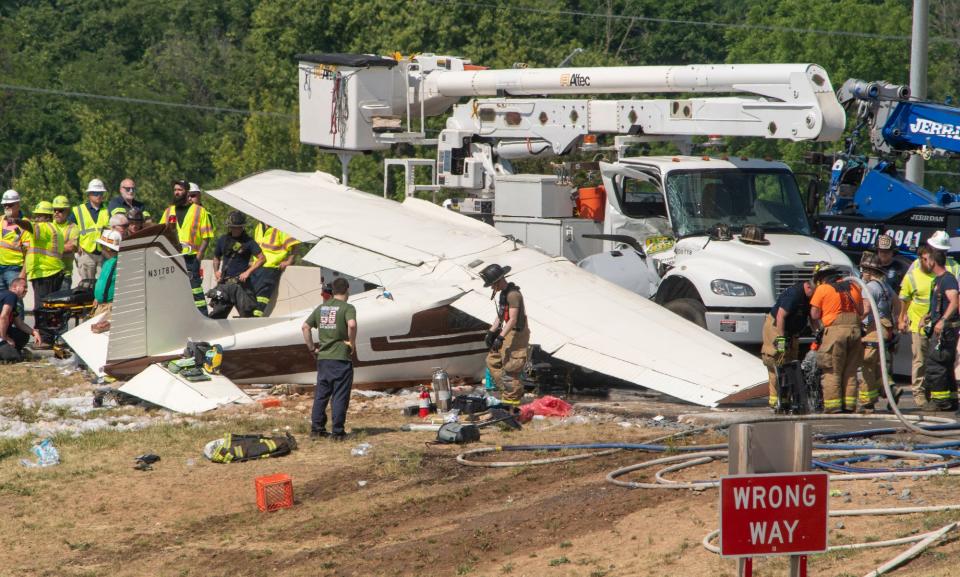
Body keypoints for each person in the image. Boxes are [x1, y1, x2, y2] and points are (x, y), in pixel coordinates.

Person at [301, 277, 357, 440]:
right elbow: (352, 325)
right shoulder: (348, 307)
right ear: (347, 290)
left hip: (323, 358)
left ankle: (317, 429)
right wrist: (351, 343)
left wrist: (312, 348)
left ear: (332, 291)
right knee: (339, 394)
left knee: (321, 394)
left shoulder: (321, 308)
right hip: (340, 357)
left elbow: (305, 327)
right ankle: (338, 432)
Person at [810, 261, 864, 413]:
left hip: (835, 332)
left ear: (821, 277)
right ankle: (849, 405)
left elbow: (814, 314)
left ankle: (833, 407)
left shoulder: (823, 289)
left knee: (832, 370)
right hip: (855, 331)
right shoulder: (854, 286)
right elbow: (861, 310)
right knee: (850, 370)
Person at [15, 201, 69, 346]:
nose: (36, 219)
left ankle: (45, 339)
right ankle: (47, 337)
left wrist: (17, 221)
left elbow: (29, 226)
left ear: (45, 216)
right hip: (50, 271)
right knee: (49, 307)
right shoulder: (55, 228)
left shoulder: (44, 227)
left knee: (42, 308)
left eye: (38, 216)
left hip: (45, 272)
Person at [479, 263, 530, 412]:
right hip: (508, 331)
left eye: (491, 285)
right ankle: (510, 390)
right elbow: (501, 316)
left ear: (498, 281)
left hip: (517, 334)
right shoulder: (503, 294)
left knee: (510, 368)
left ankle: (512, 407)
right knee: (492, 360)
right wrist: (491, 332)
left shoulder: (513, 295)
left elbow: (513, 319)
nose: (491, 288)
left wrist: (500, 337)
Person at [161, 180, 214, 316]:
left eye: (180, 190)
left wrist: (199, 256)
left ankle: (203, 317)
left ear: (187, 192)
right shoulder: (168, 211)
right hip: (172, 257)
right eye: (175, 190)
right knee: (174, 290)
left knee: (195, 290)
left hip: (191, 257)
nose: (177, 192)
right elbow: (160, 234)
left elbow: (206, 237)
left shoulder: (199, 211)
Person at [760, 278, 813, 410]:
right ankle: (775, 401)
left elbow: (812, 318)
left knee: (791, 362)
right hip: (776, 328)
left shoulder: (810, 297)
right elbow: (780, 316)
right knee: (776, 361)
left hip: (791, 331)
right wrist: (781, 339)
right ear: (808, 287)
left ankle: (787, 399)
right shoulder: (794, 294)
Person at [859, 251, 900, 412]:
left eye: (864, 270)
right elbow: (898, 304)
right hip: (885, 329)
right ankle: (891, 389)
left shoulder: (868, 287)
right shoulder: (885, 286)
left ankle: (867, 403)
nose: (862, 273)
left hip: (873, 329)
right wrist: (895, 322)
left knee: (867, 366)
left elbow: (867, 308)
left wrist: (855, 319)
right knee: (877, 364)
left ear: (869, 271)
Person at [921, 248, 960, 411]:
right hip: (941, 329)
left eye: (924, 259)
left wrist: (942, 320)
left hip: (946, 331)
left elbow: (954, 301)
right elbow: (941, 303)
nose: (923, 263)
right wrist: (929, 316)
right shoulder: (938, 281)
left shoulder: (947, 280)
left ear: (932, 261)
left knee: (935, 363)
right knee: (945, 364)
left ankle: (939, 401)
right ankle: (950, 399)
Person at [208, 211, 264, 319]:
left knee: (247, 316)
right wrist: (216, 272)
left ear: (242, 227)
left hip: (241, 285)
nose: (234, 229)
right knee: (217, 316)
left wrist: (248, 272)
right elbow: (216, 258)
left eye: (237, 227)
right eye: (232, 227)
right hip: (225, 285)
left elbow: (262, 259)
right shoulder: (222, 240)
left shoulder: (249, 242)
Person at [900, 245, 937, 406]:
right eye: (926, 259)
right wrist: (901, 319)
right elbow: (904, 300)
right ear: (920, 259)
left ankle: (931, 392)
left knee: (933, 361)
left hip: (935, 326)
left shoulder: (938, 276)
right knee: (920, 360)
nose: (929, 262)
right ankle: (919, 394)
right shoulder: (912, 277)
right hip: (918, 326)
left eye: (931, 259)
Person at [252, 222, 299, 317]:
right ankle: (250, 316)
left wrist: (289, 261)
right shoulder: (259, 226)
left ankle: (255, 317)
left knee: (261, 296)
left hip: (271, 267)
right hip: (257, 266)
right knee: (251, 294)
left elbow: (295, 245)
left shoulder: (281, 227)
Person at [69, 178, 110, 286]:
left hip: (103, 253)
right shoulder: (78, 210)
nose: (99, 196)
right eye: (96, 193)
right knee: (87, 285)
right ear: (89, 195)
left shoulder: (107, 210)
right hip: (86, 253)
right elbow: (70, 229)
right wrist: (76, 244)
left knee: (103, 284)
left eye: (101, 193)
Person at [0, 278, 40, 362]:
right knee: (12, 357)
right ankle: (9, 351)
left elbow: (19, 324)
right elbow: (3, 316)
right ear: (14, 287)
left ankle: (11, 350)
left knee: (23, 334)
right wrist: (5, 338)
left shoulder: (10, 300)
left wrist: (33, 332)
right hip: (1, 335)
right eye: (24, 287)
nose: (26, 290)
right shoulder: (11, 295)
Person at [92, 229, 122, 330]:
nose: (101, 249)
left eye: (101, 246)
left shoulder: (119, 263)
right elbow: (102, 282)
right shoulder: (108, 263)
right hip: (101, 305)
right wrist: (97, 297)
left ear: (108, 248)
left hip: (109, 307)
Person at [0, 189, 29, 292]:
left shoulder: (26, 225)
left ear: (18, 204)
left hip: (15, 269)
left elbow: (29, 253)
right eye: (5, 205)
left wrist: (22, 275)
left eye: (10, 204)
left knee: (16, 300)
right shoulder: (0, 220)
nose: (7, 207)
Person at [51, 195, 79, 290]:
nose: (56, 213)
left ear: (67, 211)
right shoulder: (49, 225)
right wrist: (62, 247)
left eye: (60, 210)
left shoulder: (73, 227)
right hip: (49, 272)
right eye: (55, 210)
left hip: (65, 273)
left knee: (62, 303)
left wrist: (49, 249)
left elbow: (71, 247)